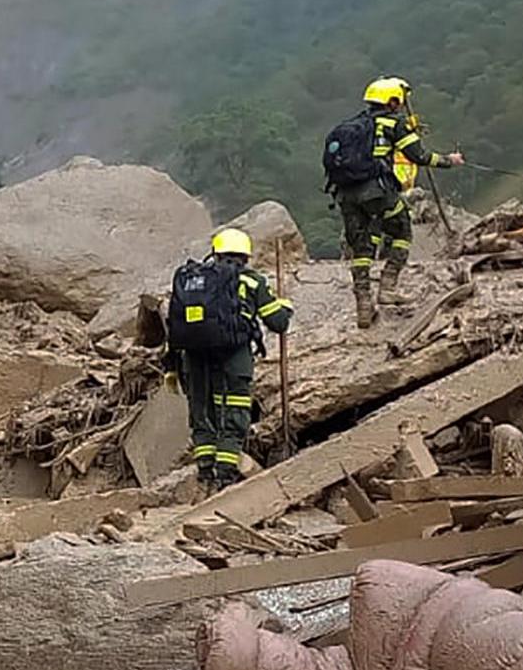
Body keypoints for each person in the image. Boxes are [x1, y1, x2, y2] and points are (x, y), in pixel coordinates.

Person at [324, 76, 463, 329]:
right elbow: (419, 156)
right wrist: (449, 161)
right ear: (393, 101)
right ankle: (388, 287)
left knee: (361, 248)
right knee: (402, 230)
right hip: (377, 191)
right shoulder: (395, 123)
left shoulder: (352, 124)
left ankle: (364, 307)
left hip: (345, 194)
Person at [163, 228, 294, 491]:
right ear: (245, 256)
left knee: (202, 413)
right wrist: (285, 306)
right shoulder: (252, 282)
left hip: (195, 358)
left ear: (216, 253)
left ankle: (204, 472)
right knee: (233, 413)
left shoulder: (193, 280)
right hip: (234, 359)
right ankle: (225, 475)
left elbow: (174, 326)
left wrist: (171, 369)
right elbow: (278, 322)